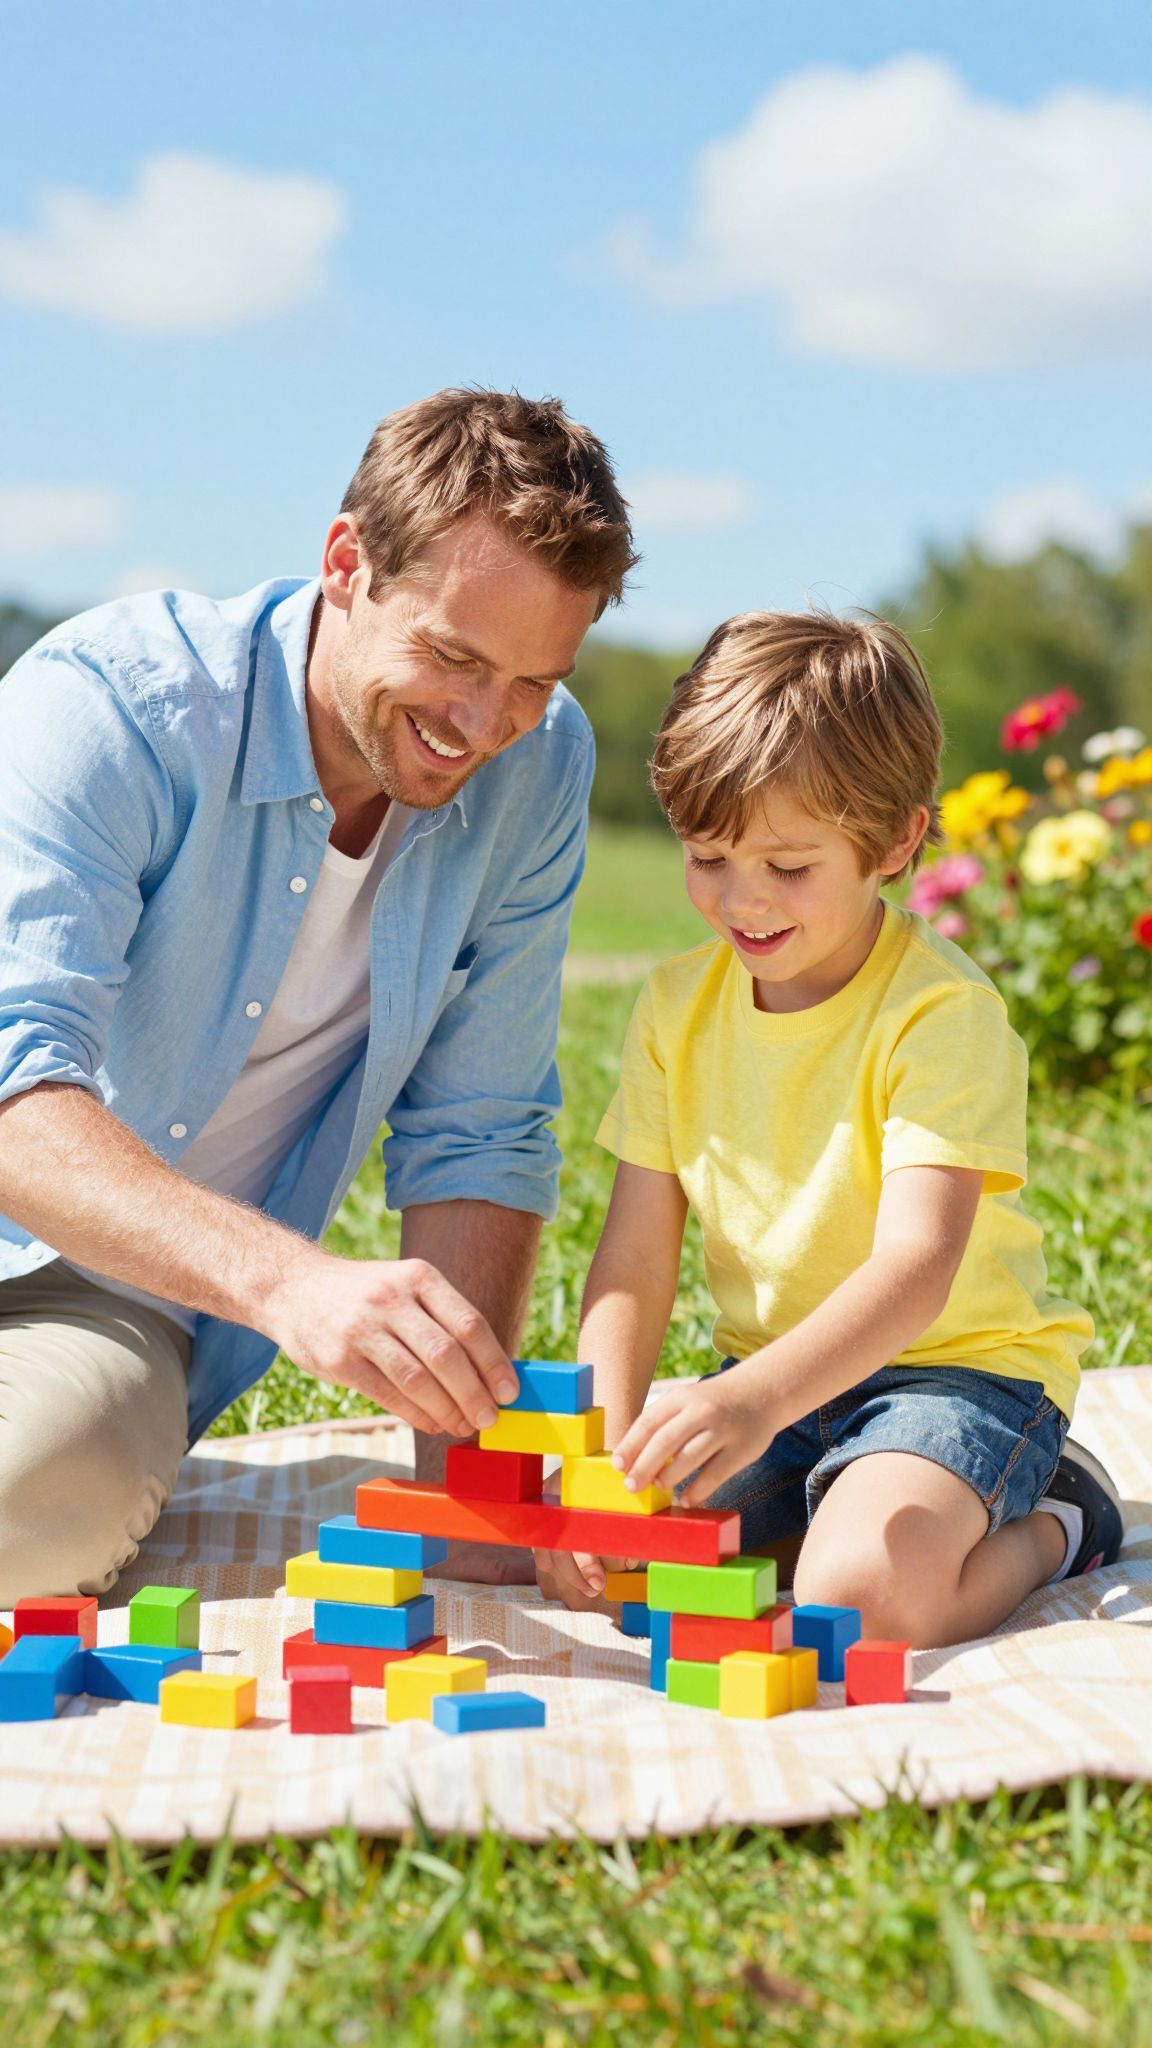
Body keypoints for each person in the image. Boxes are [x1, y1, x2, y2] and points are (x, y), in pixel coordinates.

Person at [0, 387, 636, 1604]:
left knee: (40, 1509)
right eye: (452, 655)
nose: (481, 723)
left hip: (108, 1294)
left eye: (531, 681)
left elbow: (481, 1128)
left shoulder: (536, 770)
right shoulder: (110, 710)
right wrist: (290, 1282)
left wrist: (470, 1490)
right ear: (347, 562)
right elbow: (12, 1077)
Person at [535, 610, 1122, 1646]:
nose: (741, 899)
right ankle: (816, 1496)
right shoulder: (677, 1005)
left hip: (954, 1375)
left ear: (896, 842)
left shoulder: (940, 1014)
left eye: (790, 866)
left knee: (857, 1598)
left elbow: (917, 1267)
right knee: (625, 1565)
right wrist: (600, 1453)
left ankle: (1060, 1518)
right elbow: (631, 1257)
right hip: (767, 1382)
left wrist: (754, 1402)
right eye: (708, 855)